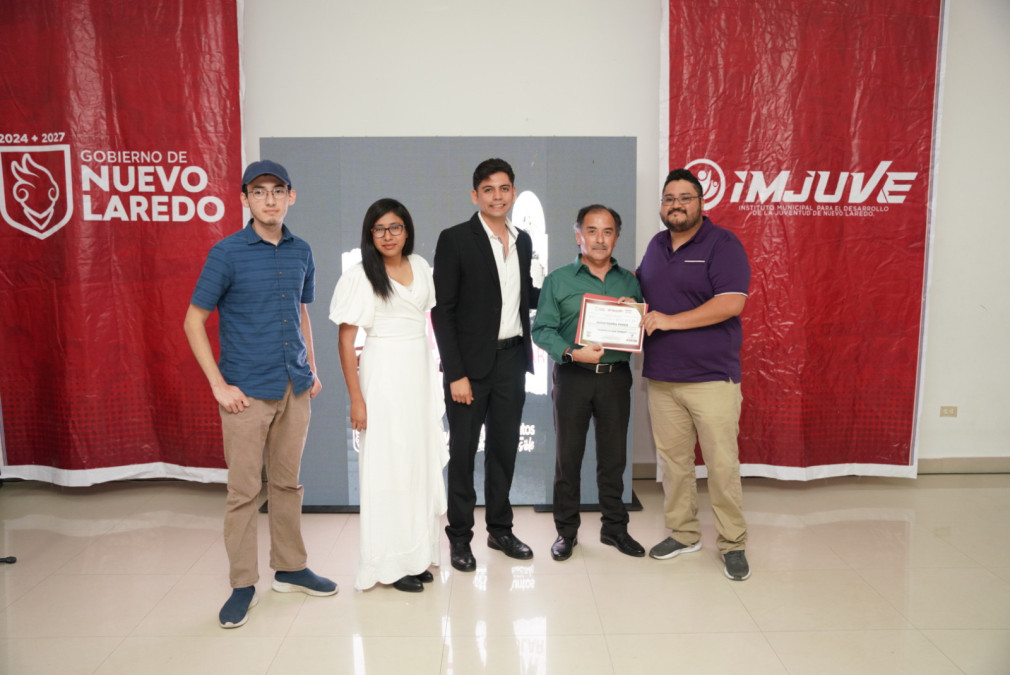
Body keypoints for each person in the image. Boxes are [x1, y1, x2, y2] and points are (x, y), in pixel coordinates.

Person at [184, 160, 337, 629]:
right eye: (258, 191)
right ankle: (242, 584)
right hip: (246, 393)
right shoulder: (226, 253)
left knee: (287, 484)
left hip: (294, 387)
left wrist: (312, 368)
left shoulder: (302, 251)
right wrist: (219, 385)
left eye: (277, 191)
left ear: (291, 196)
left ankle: (290, 569)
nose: (269, 199)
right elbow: (193, 321)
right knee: (244, 492)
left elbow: (302, 312)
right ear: (244, 199)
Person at [636, 167, 752, 581]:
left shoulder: (723, 244)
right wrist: (623, 305)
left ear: (701, 203)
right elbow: (642, 293)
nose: (677, 205)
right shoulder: (656, 246)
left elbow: (731, 303)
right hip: (662, 378)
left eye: (685, 197)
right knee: (674, 464)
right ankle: (684, 533)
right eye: (669, 198)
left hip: (711, 378)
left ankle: (733, 543)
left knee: (721, 465)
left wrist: (670, 321)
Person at [329, 198, 448, 593]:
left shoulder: (422, 267)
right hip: (382, 377)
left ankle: (415, 556)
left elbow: (428, 320)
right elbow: (345, 342)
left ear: (407, 230)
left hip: (419, 372)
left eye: (395, 227)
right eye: (379, 229)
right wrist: (357, 398)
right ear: (370, 235)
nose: (388, 235)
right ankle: (389, 564)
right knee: (388, 469)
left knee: (417, 465)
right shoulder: (361, 276)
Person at [431, 158, 539, 571]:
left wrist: (576, 293)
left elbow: (526, 294)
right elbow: (443, 311)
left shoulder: (523, 240)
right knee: (462, 453)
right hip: (469, 369)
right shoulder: (456, 239)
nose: (498, 196)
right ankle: (460, 538)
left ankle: (500, 529)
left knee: (504, 449)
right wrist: (455, 373)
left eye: (504, 188)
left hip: (512, 360)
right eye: (489, 189)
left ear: (513, 193)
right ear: (475, 195)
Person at [532, 205, 645, 562]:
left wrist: (635, 313)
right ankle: (566, 533)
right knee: (568, 459)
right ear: (578, 235)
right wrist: (571, 352)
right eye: (592, 231)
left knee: (613, 459)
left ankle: (615, 529)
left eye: (607, 231)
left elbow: (642, 327)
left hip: (615, 378)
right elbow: (542, 330)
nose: (599, 239)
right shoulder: (558, 280)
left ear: (616, 237)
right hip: (573, 377)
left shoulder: (630, 281)